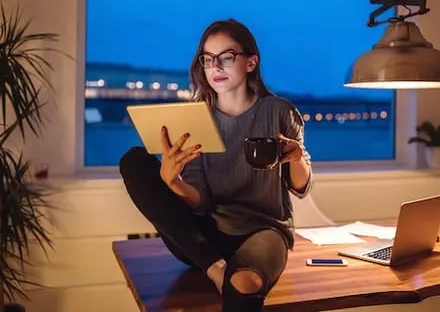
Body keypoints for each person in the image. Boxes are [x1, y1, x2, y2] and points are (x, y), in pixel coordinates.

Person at [119, 18, 312, 311]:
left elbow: (300, 187)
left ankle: (221, 272)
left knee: (246, 283)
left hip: (264, 232)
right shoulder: (198, 118)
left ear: (251, 63)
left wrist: (297, 157)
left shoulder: (280, 112)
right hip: (201, 239)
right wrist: (173, 182)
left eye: (227, 57)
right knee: (133, 160)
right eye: (208, 59)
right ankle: (213, 267)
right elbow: (199, 202)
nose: (216, 67)